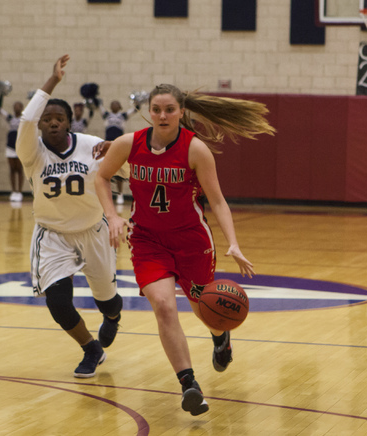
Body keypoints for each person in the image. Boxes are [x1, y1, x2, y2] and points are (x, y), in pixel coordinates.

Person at [95, 82, 275, 415]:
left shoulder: (195, 149)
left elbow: (217, 201)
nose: (162, 116)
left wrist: (233, 242)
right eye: (156, 110)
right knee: (163, 305)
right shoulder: (128, 144)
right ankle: (189, 384)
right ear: (149, 111)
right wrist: (112, 216)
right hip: (148, 241)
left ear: (181, 113)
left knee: (203, 305)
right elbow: (101, 177)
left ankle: (220, 336)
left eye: (169, 110)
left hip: (192, 242)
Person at [16, 54, 125, 378]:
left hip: (94, 230)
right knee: (58, 303)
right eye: (46, 117)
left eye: (58, 117)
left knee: (108, 302)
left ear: (68, 122)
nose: (52, 121)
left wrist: (118, 151)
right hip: (52, 235)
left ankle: (114, 317)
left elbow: (127, 171)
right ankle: (91, 349)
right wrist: (53, 82)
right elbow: (25, 120)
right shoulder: (31, 152)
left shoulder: (91, 145)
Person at [98, 99, 138, 205]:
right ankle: (106, 194)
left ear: (120, 106)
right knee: (105, 170)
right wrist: (95, 99)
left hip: (119, 145)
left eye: (116, 103)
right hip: (108, 146)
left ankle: (120, 194)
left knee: (120, 170)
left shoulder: (123, 116)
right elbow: (99, 106)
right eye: (112, 103)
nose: (114, 104)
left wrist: (138, 102)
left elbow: (135, 110)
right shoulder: (107, 115)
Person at [0, 101, 25, 202]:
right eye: (15, 106)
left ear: (22, 108)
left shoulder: (24, 119)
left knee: (19, 169)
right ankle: (13, 191)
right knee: (12, 169)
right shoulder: (10, 118)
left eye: (18, 106)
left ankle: (20, 191)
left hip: (20, 147)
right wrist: (1, 95)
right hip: (10, 146)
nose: (16, 107)